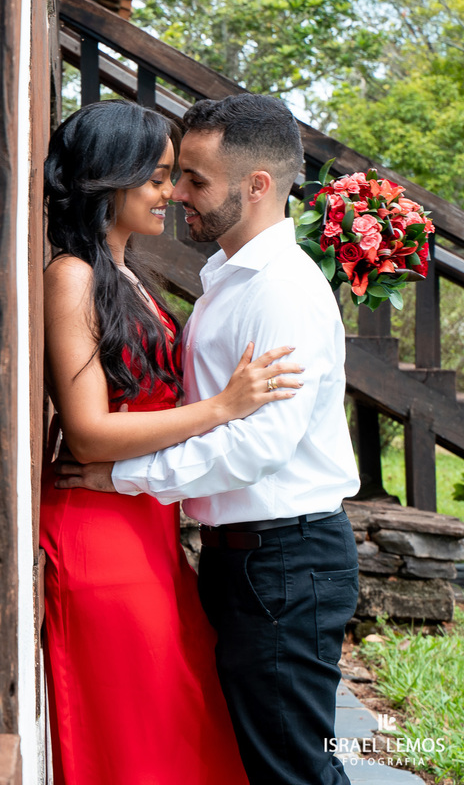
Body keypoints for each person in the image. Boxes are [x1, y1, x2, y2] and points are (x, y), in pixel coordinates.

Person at [56, 94, 362, 785]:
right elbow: (209, 410)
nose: (178, 193)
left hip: (283, 560)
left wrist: (121, 476)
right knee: (258, 758)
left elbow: (259, 446)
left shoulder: (279, 290)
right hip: (240, 560)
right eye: (172, 175)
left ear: (256, 187)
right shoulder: (227, 278)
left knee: (293, 771)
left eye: (194, 178)